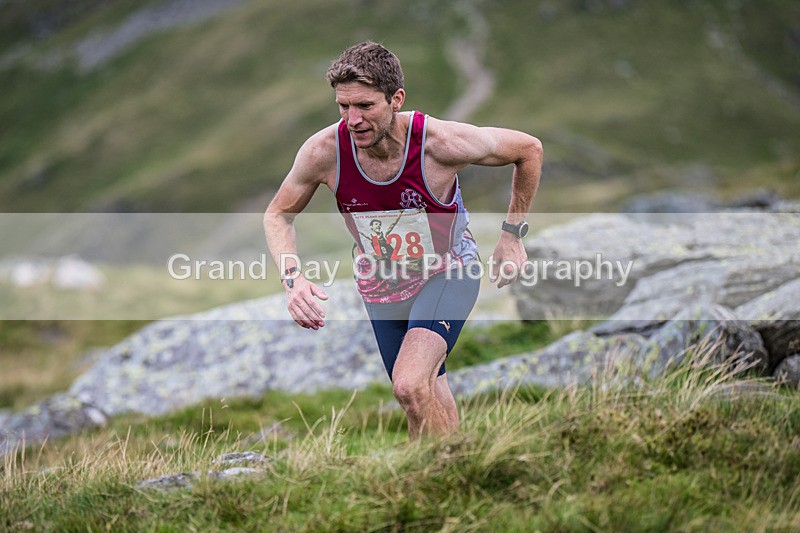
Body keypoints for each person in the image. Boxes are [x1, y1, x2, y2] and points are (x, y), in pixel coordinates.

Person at [264, 41, 542, 440]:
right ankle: (449, 468)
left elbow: (528, 149)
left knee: (409, 385)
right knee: (423, 394)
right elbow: (278, 214)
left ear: (396, 99)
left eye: (365, 106)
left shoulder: (440, 143)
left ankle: (441, 469)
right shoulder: (324, 152)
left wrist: (512, 236)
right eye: (343, 106)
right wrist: (293, 280)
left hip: (447, 272)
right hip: (382, 285)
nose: (353, 119)